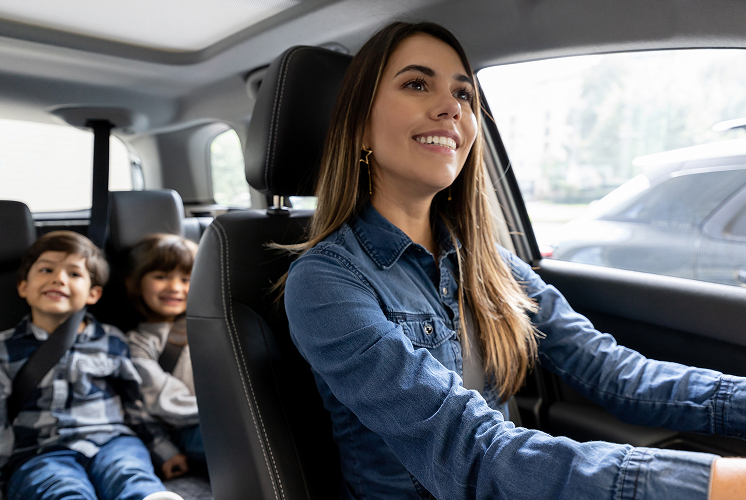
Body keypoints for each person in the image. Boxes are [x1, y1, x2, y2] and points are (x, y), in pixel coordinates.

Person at [282, 21, 746, 500]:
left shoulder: (490, 263)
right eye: (416, 84)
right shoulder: (326, 282)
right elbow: (469, 450)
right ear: (360, 125)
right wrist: (714, 485)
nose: (452, 108)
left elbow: (617, 374)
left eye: (464, 94)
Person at [0, 230, 185, 500]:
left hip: (113, 441)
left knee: (130, 475)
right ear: (23, 286)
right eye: (46, 270)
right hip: (40, 452)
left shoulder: (112, 341)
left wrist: (164, 449)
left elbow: (134, 406)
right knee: (61, 489)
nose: (58, 278)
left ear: (93, 294)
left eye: (74, 274)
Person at [125, 234, 205, 479]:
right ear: (136, 283)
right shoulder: (136, 343)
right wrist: (232, 413)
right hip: (189, 428)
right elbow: (163, 400)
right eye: (161, 277)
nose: (175, 287)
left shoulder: (210, 325)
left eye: (186, 279)